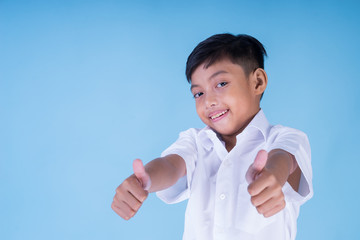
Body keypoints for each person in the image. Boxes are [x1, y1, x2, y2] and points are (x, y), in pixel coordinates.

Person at [111, 33, 313, 240]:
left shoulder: (286, 138)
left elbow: (285, 158)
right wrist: (146, 179)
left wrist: (273, 175)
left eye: (221, 84)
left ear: (258, 82)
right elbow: (171, 165)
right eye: (199, 94)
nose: (208, 102)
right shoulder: (195, 142)